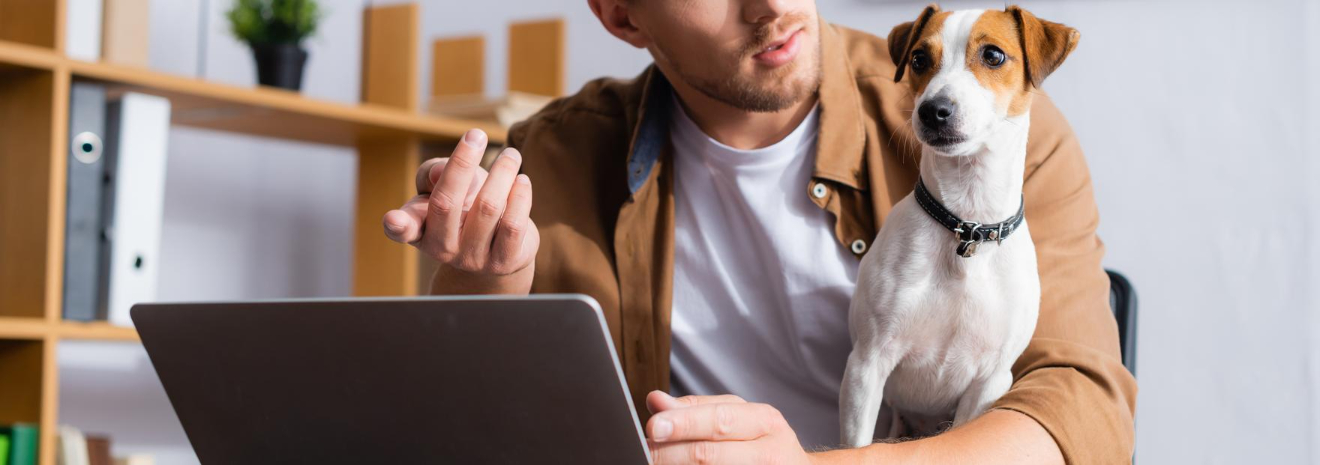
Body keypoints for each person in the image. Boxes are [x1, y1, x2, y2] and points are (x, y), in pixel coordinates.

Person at [380, 0, 1136, 462]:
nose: (772, 5)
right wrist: (485, 272)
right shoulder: (554, 157)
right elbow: (468, 419)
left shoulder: (1000, 129)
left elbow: (1085, 413)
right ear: (621, 14)